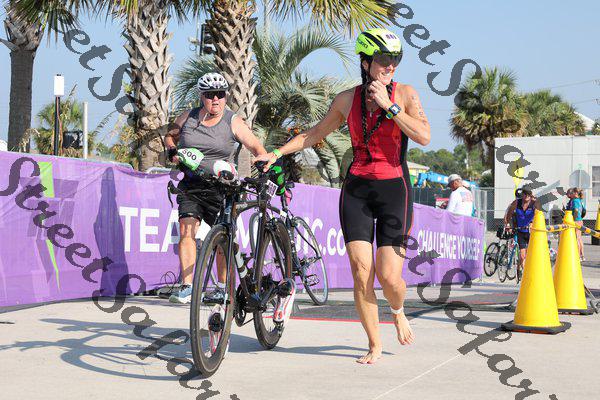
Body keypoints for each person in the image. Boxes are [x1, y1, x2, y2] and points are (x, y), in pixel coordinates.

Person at [254, 28, 431, 364]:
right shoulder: (347, 99)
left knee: (389, 277)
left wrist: (390, 106)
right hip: (357, 189)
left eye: (396, 59)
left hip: (395, 189)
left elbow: (424, 135)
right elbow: (314, 134)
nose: (390, 65)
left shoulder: (406, 94)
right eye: (384, 59)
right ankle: (374, 344)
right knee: (361, 271)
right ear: (366, 63)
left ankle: (397, 310)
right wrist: (276, 153)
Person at [164, 72, 267, 304]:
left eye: (220, 94)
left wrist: (262, 161)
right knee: (186, 230)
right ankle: (187, 286)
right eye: (210, 95)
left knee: (223, 239)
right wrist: (172, 150)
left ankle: (221, 287)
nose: (216, 99)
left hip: (223, 188)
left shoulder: (233, 121)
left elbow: (256, 147)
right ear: (202, 96)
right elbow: (170, 136)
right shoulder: (188, 117)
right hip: (192, 184)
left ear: (226, 96)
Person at [504, 187, 541, 273]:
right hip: (521, 231)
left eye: (529, 195)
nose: (527, 196)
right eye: (525, 194)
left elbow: (539, 214)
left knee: (531, 254)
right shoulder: (517, 202)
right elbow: (509, 212)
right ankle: (524, 272)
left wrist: (533, 223)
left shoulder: (534, 203)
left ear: (531, 195)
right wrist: (507, 223)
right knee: (522, 256)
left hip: (531, 232)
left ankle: (527, 270)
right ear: (522, 195)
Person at [566, 187, 585, 261]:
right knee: (579, 238)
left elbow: (576, 210)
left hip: (576, 221)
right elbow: (583, 210)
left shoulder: (574, 201)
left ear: (576, 193)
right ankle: (582, 255)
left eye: (572, 192)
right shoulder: (579, 200)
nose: (571, 194)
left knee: (576, 238)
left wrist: (573, 220)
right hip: (580, 220)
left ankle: (578, 256)